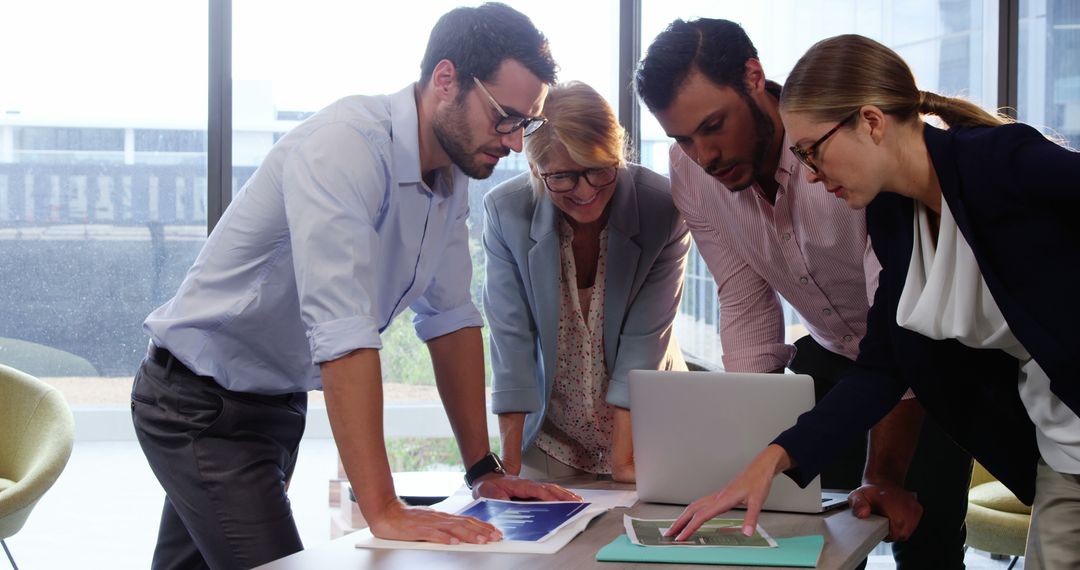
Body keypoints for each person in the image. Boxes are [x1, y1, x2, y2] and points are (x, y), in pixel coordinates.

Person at [130, 4, 581, 569]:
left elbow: (451, 320)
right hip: (198, 402)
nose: (516, 144)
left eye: (526, 124)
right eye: (505, 118)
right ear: (446, 80)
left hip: (273, 404)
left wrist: (483, 472)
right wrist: (383, 508)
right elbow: (342, 327)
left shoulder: (449, 176)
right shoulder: (344, 146)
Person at [665, 33, 1080, 570]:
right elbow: (884, 364)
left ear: (871, 122)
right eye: (801, 157)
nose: (810, 174)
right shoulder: (892, 217)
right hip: (1062, 452)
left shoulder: (1002, 162)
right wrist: (774, 459)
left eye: (813, 151)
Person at [634, 18, 971, 568]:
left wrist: (882, 475)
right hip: (834, 360)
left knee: (925, 548)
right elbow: (744, 302)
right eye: (682, 138)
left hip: (928, 365)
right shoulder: (691, 174)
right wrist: (748, 456)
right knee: (812, 546)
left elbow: (898, 337)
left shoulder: (845, 149)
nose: (704, 155)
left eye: (713, 125)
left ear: (753, 77)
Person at [482, 81, 690, 484]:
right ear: (535, 170)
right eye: (562, 177)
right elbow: (512, 343)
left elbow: (643, 344)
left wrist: (623, 463)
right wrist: (507, 471)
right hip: (552, 440)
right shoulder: (505, 212)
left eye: (598, 170)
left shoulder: (662, 207)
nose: (585, 191)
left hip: (650, 430)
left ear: (617, 155)